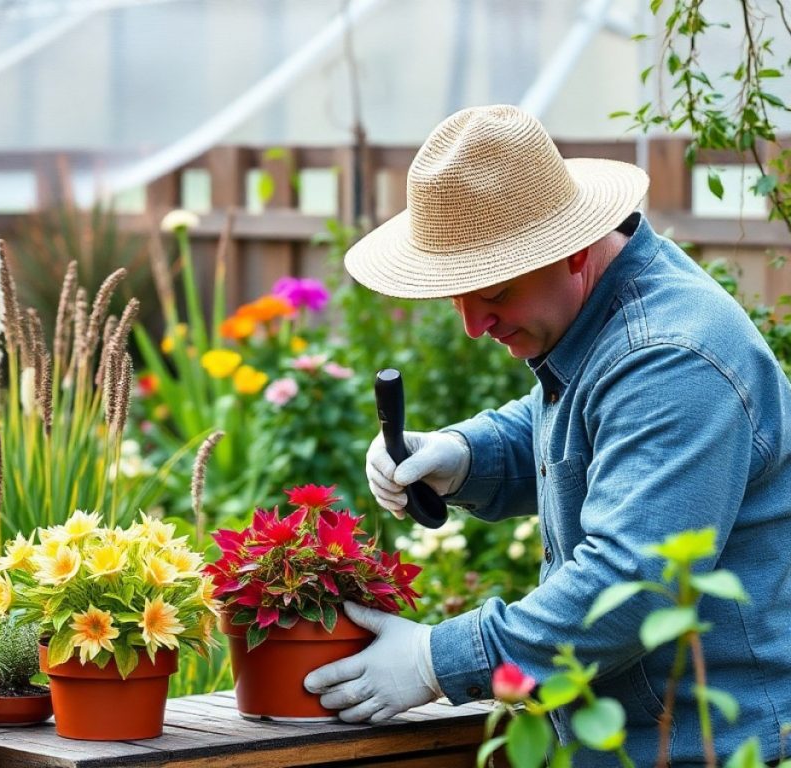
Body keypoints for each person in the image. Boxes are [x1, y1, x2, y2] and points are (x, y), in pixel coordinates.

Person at [303, 104, 791, 765]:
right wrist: (464, 454)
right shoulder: (608, 313)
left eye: (493, 290)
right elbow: (589, 424)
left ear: (573, 248)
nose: (474, 323)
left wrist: (434, 660)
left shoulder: (673, 359)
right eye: (457, 294)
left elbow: (630, 587)